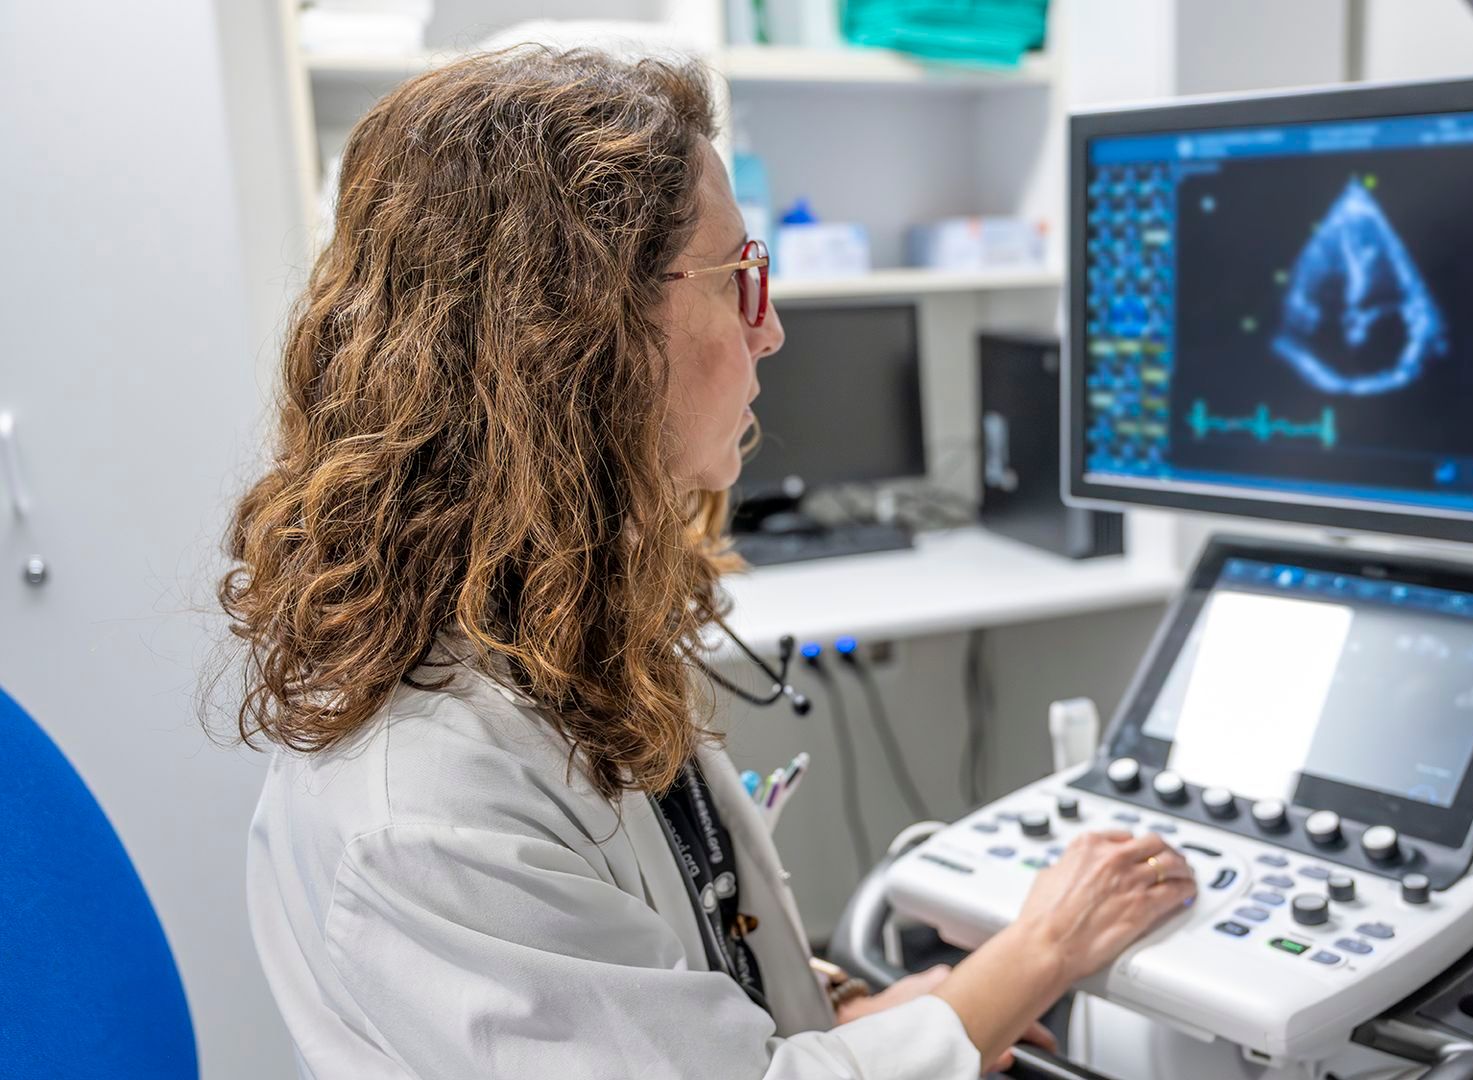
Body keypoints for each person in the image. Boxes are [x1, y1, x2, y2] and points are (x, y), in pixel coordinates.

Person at [220, 48, 1196, 1080]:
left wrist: (853, 1010)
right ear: (577, 340)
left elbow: (671, 950)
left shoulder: (542, 612)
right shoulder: (430, 807)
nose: (769, 332)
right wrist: (1037, 953)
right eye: (740, 280)